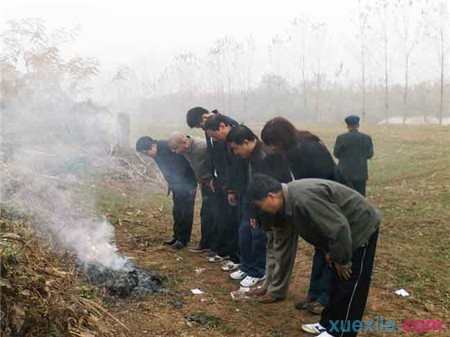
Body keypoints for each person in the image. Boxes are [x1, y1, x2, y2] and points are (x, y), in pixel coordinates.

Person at [247, 174, 381, 337]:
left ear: (271, 196)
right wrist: (328, 250)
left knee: (350, 283)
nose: (262, 210)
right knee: (333, 279)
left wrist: (342, 259)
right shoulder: (290, 202)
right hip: (341, 235)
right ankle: (328, 325)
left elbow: (338, 228)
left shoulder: (303, 199)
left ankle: (342, 332)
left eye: (261, 205)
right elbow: (319, 227)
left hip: (359, 227)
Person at [260, 117, 341, 312]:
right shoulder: (293, 149)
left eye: (274, 143)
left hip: (327, 204)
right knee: (320, 249)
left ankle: (324, 298)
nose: (273, 148)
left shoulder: (308, 148)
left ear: (282, 138)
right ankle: (313, 295)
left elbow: (321, 182)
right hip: (311, 203)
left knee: (330, 251)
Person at [226, 125, 292, 289]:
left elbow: (270, 190)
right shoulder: (250, 156)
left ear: (247, 142)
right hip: (251, 203)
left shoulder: (265, 157)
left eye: (236, 148)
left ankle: (257, 271)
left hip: (265, 206)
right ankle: (246, 266)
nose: (236, 153)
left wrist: (258, 214)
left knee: (258, 238)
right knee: (244, 234)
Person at [186, 107, 239, 266]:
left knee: (232, 218)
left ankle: (234, 254)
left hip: (230, 180)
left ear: (204, 116)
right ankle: (221, 249)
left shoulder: (228, 124)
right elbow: (211, 153)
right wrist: (210, 176)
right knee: (220, 216)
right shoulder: (209, 128)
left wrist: (231, 185)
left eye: (200, 125)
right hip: (218, 179)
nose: (202, 129)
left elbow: (232, 158)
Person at [135, 136, 197, 249]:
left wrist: (181, 184)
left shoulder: (168, 147)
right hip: (176, 185)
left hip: (187, 183)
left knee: (185, 211)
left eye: (146, 152)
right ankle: (176, 236)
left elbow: (181, 167)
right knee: (177, 211)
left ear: (153, 145)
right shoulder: (156, 153)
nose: (147, 155)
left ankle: (183, 239)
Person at [203, 114, 243, 270]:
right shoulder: (222, 143)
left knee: (241, 224)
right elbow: (223, 166)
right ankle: (233, 255)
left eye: (215, 135)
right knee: (231, 221)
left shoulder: (239, 137)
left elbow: (237, 168)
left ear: (222, 126)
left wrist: (233, 189)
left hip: (241, 188)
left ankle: (240, 259)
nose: (216, 139)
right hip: (228, 186)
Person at [167, 133, 216, 254]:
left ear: (185, 142)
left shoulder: (201, 148)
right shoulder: (186, 150)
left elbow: (213, 165)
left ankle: (213, 245)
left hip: (212, 184)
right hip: (204, 183)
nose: (176, 152)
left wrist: (211, 180)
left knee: (212, 213)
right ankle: (206, 243)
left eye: (176, 149)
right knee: (206, 213)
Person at [334, 115, 374, 196]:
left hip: (344, 173)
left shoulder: (341, 138)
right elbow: (370, 154)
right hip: (361, 172)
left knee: (345, 196)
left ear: (347, 126)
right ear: (358, 125)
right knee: (360, 197)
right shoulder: (366, 138)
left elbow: (336, 154)